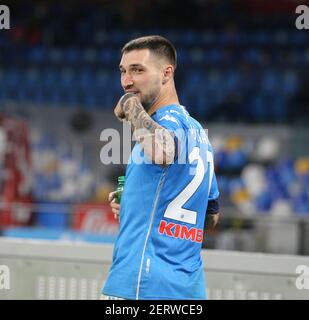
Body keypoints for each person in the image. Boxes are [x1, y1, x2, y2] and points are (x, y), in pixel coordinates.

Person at [101, 35, 220, 300]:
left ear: (167, 73)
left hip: (140, 283)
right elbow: (210, 218)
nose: (126, 81)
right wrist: (137, 206)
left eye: (138, 70)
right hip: (187, 290)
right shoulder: (199, 134)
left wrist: (129, 104)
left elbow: (163, 151)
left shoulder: (166, 124)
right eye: (123, 71)